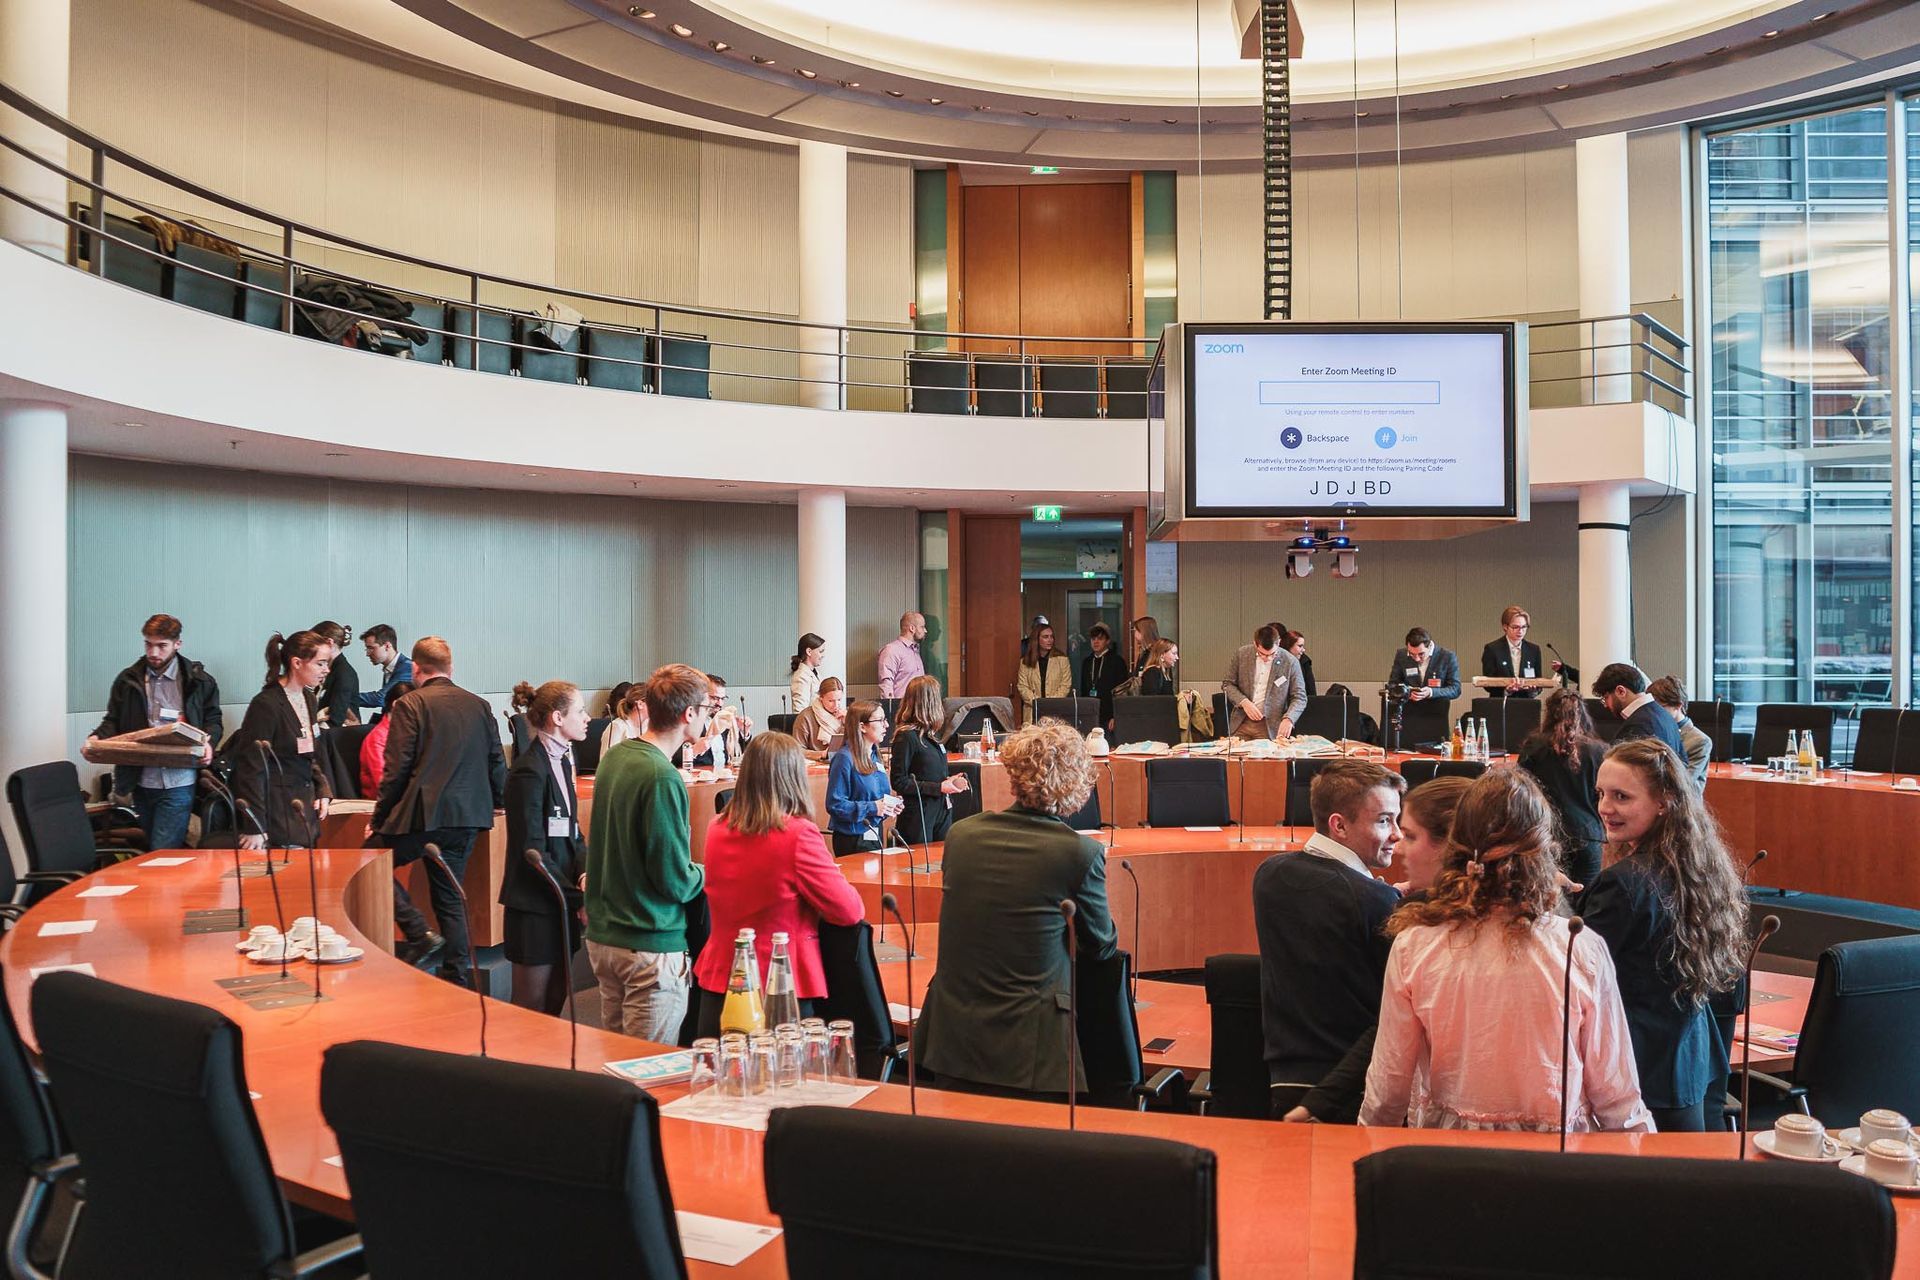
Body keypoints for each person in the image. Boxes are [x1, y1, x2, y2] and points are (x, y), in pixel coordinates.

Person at [1359, 769, 1653, 1132]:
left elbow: (1387, 1089)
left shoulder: (1415, 945)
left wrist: (1367, 1163)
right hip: (1553, 1163)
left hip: (1446, 1161)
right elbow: (1617, 1098)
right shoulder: (1580, 947)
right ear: (1543, 852)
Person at [915, 720, 1118, 1098]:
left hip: (952, 1040)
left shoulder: (961, 836)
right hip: (1030, 1052)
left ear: (1014, 774)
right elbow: (1102, 946)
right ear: (1077, 785)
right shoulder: (1079, 853)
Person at [1579, 737, 1749, 1132]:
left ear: (1664, 801)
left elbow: (1577, 974)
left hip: (1639, 1075)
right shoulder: (1700, 867)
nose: (1605, 807)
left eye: (1621, 796)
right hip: (1690, 1062)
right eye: (1601, 793)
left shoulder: (1622, 884)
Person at [1286, 775, 1472, 1124]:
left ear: (1451, 847)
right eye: (1388, 822)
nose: (1399, 843)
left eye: (1411, 835)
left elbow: (1390, 1050)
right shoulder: (1563, 935)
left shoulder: (1417, 937)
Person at [1254, 760, 1405, 1118]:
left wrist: (1387, 898)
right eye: (1384, 820)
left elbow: (1330, 906)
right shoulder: (1374, 901)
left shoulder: (1269, 876)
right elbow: (1397, 1010)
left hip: (1282, 1081)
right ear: (1339, 825)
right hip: (1348, 1090)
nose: (1397, 834)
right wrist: (1392, 901)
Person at [692, 733, 867, 1035]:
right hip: (777, 986)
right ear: (793, 777)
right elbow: (849, 910)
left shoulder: (717, 828)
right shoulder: (798, 834)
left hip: (722, 979)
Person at [585, 664, 713, 1041]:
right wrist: (708, 872)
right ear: (689, 713)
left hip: (606, 938)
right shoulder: (661, 776)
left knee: (619, 1071)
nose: (706, 717)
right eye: (705, 709)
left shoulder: (616, 758)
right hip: (648, 943)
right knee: (648, 1077)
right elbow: (674, 880)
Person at [370, 637, 507, 989]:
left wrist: (379, 819)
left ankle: (418, 933)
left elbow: (396, 770)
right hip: (469, 817)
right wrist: (498, 800)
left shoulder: (410, 704)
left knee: (368, 863)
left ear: (416, 668)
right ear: (451, 668)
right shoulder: (479, 705)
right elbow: (496, 760)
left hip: (424, 815)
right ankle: (457, 978)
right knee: (450, 894)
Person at [87, 613, 221, 851]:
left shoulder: (199, 681)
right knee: (153, 851)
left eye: (162, 646)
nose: (154, 653)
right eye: (149, 644)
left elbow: (213, 720)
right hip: (141, 779)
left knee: (161, 851)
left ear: (177, 644)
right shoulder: (128, 680)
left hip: (180, 778)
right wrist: (97, 738)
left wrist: (209, 743)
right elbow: (113, 720)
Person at [499, 680, 590, 1014]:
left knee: (556, 1000)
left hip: (562, 898)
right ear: (556, 717)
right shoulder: (528, 770)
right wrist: (576, 897)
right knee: (530, 1006)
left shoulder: (565, 760)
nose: (587, 718)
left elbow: (573, 832)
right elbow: (531, 850)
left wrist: (584, 876)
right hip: (535, 905)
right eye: (580, 711)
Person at [230, 631, 332, 849]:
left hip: (304, 809)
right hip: (276, 812)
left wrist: (323, 789)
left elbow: (312, 753)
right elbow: (251, 768)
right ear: (297, 663)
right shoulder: (266, 704)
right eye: (320, 663)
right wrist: (255, 826)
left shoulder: (309, 698)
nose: (327, 670)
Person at [1517, 689, 1608, 887]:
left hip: (1547, 835)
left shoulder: (1533, 747)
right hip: (1589, 835)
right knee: (1586, 902)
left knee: (1553, 903)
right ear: (1583, 714)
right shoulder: (1599, 750)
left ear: (1549, 713)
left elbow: (1523, 791)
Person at [890, 675, 970, 845]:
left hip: (940, 810)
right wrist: (939, 787)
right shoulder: (906, 736)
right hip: (918, 816)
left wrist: (949, 781)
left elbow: (929, 773)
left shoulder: (930, 736)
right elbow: (899, 782)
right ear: (929, 702)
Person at [825, 700, 904, 855]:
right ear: (862, 727)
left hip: (874, 833)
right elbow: (835, 804)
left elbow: (876, 798)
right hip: (852, 837)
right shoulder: (844, 759)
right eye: (880, 720)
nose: (886, 726)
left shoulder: (875, 757)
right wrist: (873, 807)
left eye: (885, 720)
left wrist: (889, 806)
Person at [1223, 624, 1308, 741]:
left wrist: (1289, 718)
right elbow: (1228, 684)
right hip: (1241, 723)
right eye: (1261, 654)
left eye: (1271, 654)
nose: (1266, 658)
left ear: (1278, 642)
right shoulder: (1242, 654)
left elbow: (1300, 697)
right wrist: (1244, 702)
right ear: (1255, 644)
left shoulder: (1290, 662)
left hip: (1271, 727)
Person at [1591, 662, 1687, 761]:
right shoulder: (1666, 717)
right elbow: (1683, 764)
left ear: (1621, 691)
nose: (1606, 705)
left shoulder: (1637, 725)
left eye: (1606, 698)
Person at [1648, 675, 1712, 790]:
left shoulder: (1699, 741)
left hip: (1682, 804)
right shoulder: (1650, 730)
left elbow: (1682, 782)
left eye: (1660, 707)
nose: (1654, 713)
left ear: (1678, 705)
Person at [359, 680, 414, 799]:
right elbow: (385, 783)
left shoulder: (406, 732)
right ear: (397, 704)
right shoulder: (377, 739)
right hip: (382, 805)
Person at [686, 674, 753, 768]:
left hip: (725, 775)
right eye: (715, 698)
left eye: (723, 698)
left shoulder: (724, 718)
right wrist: (693, 751)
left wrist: (743, 732)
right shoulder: (689, 719)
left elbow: (739, 752)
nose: (720, 704)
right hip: (700, 776)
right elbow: (671, 756)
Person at [1480, 605, 1545, 697]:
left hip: (1527, 704)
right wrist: (1506, 690)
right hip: (1500, 703)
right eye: (1515, 627)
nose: (1520, 631)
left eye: (1524, 627)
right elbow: (1488, 684)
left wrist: (1533, 691)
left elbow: (1538, 681)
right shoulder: (1492, 649)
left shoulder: (1534, 650)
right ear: (1505, 627)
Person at [1016, 620, 1073, 724]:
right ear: (1036, 640)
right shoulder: (1025, 662)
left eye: (1051, 637)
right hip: (1032, 713)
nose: (1050, 640)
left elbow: (1065, 685)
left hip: (1055, 713)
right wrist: (1038, 703)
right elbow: (1022, 686)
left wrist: (1049, 704)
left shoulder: (1062, 659)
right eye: (1045, 637)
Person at [1385, 627, 1461, 704]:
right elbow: (1393, 684)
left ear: (1430, 646)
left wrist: (1431, 692)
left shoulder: (1447, 657)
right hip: (1408, 709)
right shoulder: (1402, 655)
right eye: (1412, 654)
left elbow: (1455, 689)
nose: (1417, 659)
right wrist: (1406, 691)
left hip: (1437, 711)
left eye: (1421, 654)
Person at [311, 621, 360, 729]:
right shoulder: (332, 669)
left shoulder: (344, 673)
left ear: (329, 642)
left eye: (314, 645)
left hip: (340, 738)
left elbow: (336, 719)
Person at [355, 623, 413, 714]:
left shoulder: (407, 668)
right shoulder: (391, 668)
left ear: (387, 646)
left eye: (371, 648)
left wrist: (344, 698)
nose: (367, 653)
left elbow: (380, 699)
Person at [1079, 622, 1129, 726]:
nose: (1096, 642)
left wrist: (1115, 716)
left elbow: (1122, 691)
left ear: (1107, 641)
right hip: (1090, 713)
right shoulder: (1087, 661)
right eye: (1093, 639)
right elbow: (1083, 690)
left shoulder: (1117, 661)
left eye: (1100, 639)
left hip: (1109, 716)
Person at [793, 677, 846, 759]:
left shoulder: (844, 715)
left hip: (839, 760)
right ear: (821, 698)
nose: (836, 705)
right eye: (831, 701)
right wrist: (820, 754)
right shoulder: (805, 717)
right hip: (814, 763)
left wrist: (847, 723)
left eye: (839, 700)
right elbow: (797, 750)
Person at [877, 613, 927, 699]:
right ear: (912, 628)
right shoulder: (892, 650)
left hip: (918, 707)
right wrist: (891, 710)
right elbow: (886, 684)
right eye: (922, 627)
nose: (925, 630)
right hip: (901, 708)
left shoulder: (915, 651)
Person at [600, 682, 647, 760]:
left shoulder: (651, 727)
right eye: (654, 701)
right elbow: (607, 763)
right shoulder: (617, 727)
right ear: (640, 704)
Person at [788, 634, 826, 711]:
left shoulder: (815, 673)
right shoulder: (801, 676)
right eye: (820, 651)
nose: (823, 655)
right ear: (809, 651)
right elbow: (800, 710)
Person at [1280, 628, 1316, 698]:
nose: (1303, 650)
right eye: (1300, 646)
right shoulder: (1275, 664)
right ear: (1288, 646)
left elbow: (1311, 691)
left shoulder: (1304, 661)